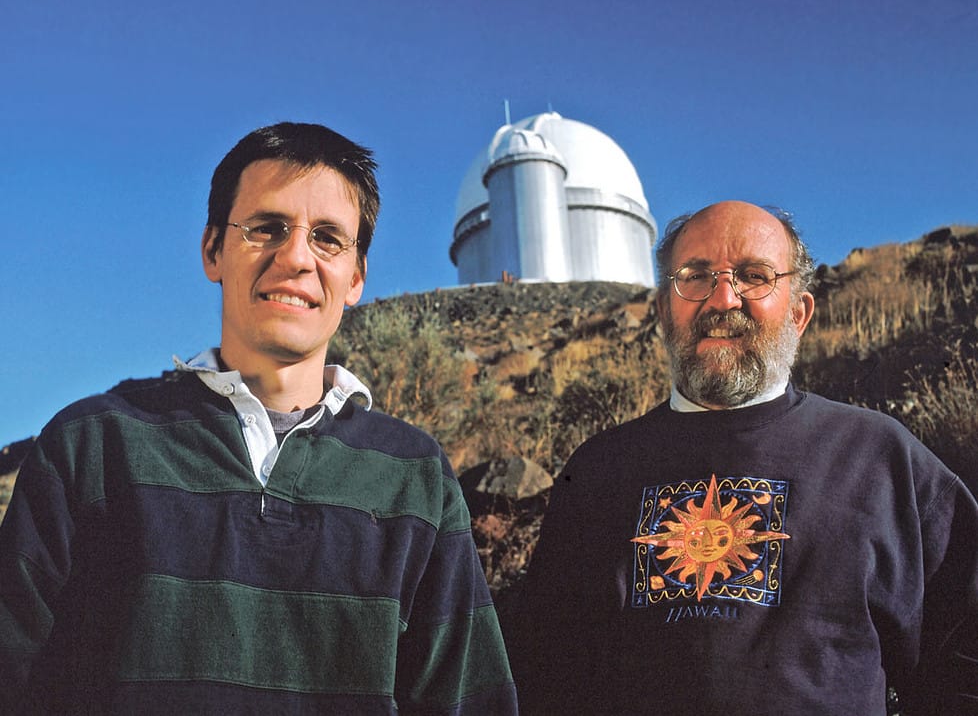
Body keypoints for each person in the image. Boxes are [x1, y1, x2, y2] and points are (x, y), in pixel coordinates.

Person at [0, 122, 518, 714]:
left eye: (327, 238)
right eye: (266, 227)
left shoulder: (415, 477)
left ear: (356, 278)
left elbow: (470, 700)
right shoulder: (90, 446)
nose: (296, 257)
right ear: (212, 250)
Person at [512, 200, 978, 714]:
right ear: (666, 310)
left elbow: (965, 647)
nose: (723, 299)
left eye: (754, 276)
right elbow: (546, 671)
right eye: (695, 276)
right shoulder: (599, 470)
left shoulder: (881, 458)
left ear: (799, 313)